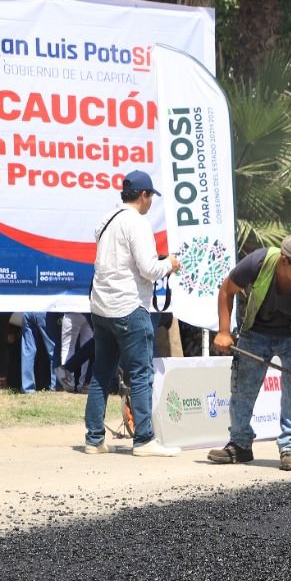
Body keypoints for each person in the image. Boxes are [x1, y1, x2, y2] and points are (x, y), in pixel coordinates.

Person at [209, 233, 291, 471]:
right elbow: (226, 290)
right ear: (285, 260)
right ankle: (239, 444)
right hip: (257, 331)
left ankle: (289, 447)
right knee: (243, 388)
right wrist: (223, 331)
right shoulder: (257, 262)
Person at [84, 169, 180, 457]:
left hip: (101, 308)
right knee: (140, 374)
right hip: (129, 307)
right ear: (143, 195)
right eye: (150, 196)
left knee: (101, 374)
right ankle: (144, 440)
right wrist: (170, 265)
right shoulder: (137, 223)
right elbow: (149, 269)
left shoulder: (107, 219)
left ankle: (94, 439)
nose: (151, 202)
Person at [20, 311, 58, 393]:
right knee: (53, 350)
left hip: (27, 310)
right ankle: (55, 386)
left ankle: (27, 388)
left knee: (28, 350)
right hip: (45, 310)